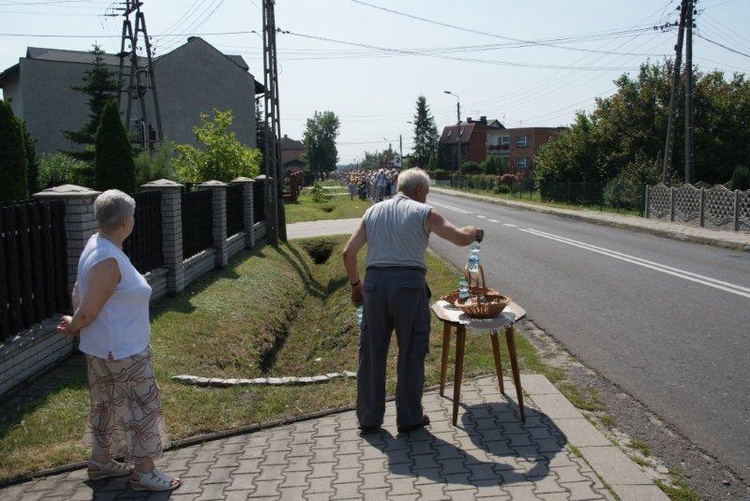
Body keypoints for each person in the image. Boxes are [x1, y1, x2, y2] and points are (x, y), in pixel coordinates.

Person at [57, 189, 181, 492]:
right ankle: (145, 472)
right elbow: (88, 306)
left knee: (107, 407)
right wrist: (75, 323)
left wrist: (78, 320)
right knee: (141, 409)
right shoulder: (107, 258)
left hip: (105, 350)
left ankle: (101, 463)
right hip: (123, 353)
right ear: (125, 220)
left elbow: (79, 291)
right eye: (133, 216)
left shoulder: (97, 245)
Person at [342, 168, 483, 433]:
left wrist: (355, 286)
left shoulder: (373, 211)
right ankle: (408, 417)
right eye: (426, 193)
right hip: (409, 288)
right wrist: (473, 230)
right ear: (419, 191)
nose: (426, 198)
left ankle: (369, 418)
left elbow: (348, 252)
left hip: (374, 287)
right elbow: (460, 238)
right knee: (411, 351)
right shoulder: (424, 212)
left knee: (372, 352)